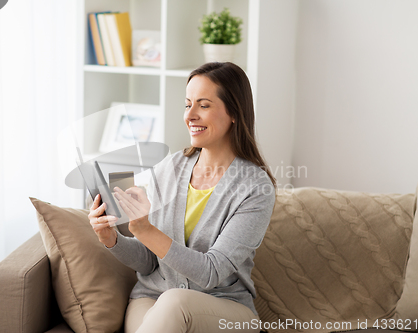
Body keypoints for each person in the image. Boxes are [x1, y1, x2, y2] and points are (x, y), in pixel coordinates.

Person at [89, 62, 277, 333]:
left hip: (224, 307)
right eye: (188, 104)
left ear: (234, 112)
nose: (191, 115)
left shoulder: (255, 188)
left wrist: (145, 229)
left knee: (174, 301)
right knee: (167, 304)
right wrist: (112, 240)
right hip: (152, 299)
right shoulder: (171, 168)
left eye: (204, 105)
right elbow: (150, 261)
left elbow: (210, 272)